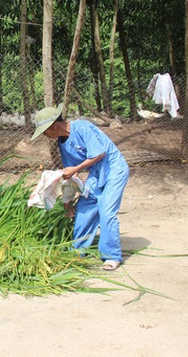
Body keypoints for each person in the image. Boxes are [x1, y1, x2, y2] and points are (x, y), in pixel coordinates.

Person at [31, 104, 129, 270]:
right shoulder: (62, 143)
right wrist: (68, 200)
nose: (45, 136)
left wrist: (75, 169)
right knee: (84, 210)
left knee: (106, 211)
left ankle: (111, 256)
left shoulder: (82, 127)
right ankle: (77, 251)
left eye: (45, 132)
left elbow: (99, 153)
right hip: (96, 175)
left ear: (53, 126)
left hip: (114, 170)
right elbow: (71, 174)